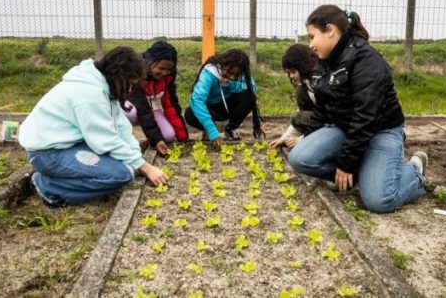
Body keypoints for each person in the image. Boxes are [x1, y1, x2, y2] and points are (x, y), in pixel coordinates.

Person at [287, 5, 428, 213]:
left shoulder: (366, 60)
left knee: (379, 201)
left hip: (381, 130)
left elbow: (366, 118)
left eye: (311, 36)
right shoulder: (324, 63)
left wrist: (346, 164)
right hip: (346, 128)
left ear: (330, 30)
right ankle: (366, 173)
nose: (311, 45)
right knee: (299, 157)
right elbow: (322, 110)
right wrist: (305, 139)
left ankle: (415, 169)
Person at [19, 46, 168, 207]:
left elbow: (121, 127)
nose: (130, 90)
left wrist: (137, 158)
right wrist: (144, 167)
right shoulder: (89, 94)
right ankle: (49, 187)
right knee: (121, 174)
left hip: (68, 144)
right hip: (47, 153)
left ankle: (57, 178)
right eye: (130, 84)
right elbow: (104, 140)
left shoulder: (104, 85)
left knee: (126, 164)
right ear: (118, 76)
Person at [184, 48, 265, 147]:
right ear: (224, 63)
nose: (232, 77)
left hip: (227, 107)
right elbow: (197, 100)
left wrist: (230, 85)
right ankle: (210, 128)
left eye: (236, 75)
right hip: (210, 108)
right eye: (230, 72)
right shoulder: (210, 72)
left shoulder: (241, 72)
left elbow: (252, 88)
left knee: (250, 96)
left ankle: (230, 130)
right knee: (190, 114)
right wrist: (212, 131)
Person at [122, 41, 189, 155]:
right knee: (131, 113)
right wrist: (156, 140)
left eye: (168, 70)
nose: (164, 73)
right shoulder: (137, 72)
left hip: (152, 106)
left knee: (168, 136)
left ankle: (148, 141)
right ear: (150, 62)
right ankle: (122, 144)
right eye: (161, 68)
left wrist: (182, 135)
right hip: (131, 105)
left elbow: (171, 103)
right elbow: (142, 108)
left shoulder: (169, 75)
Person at [268, 43, 318, 149]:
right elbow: (300, 117)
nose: (291, 76)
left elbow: (327, 118)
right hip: (321, 121)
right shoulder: (304, 85)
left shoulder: (321, 81)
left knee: (299, 117)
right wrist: (284, 138)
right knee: (298, 117)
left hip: (333, 124)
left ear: (304, 65)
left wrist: (301, 140)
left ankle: (312, 139)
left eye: (293, 72)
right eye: (289, 73)